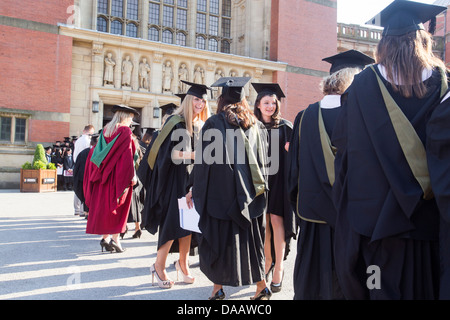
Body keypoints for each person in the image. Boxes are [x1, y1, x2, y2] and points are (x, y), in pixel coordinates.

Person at [331, 1, 448, 299]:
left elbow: (344, 149)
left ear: (383, 43)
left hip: (375, 226)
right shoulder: (443, 85)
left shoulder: (360, 86)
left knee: (377, 288)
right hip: (428, 223)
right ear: (424, 40)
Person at [288, 50, 374, 300]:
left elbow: (294, 174)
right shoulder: (362, 114)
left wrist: (302, 207)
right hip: (354, 219)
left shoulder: (304, 117)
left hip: (313, 217)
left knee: (314, 283)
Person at [191, 76, 271, 300]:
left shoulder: (214, 123)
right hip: (250, 196)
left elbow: (204, 163)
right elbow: (264, 163)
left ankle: (217, 290)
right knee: (251, 243)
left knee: (220, 242)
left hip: (220, 198)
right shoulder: (256, 125)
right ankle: (261, 286)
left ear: (222, 99)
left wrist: (195, 189)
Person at [139, 81, 211, 289]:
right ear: (189, 100)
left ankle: (183, 264)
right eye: (197, 99)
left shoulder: (198, 125)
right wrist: (196, 155)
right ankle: (158, 266)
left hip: (191, 180)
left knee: (189, 224)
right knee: (172, 223)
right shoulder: (176, 122)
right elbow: (169, 154)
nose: (200, 103)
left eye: (203, 100)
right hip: (174, 180)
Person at [251, 82, 296, 293]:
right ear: (258, 105)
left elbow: (296, 155)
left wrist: (291, 150)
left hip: (279, 182)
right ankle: (267, 260)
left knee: (277, 220)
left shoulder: (285, 127)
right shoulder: (251, 126)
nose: (270, 106)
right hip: (258, 181)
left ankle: (279, 267)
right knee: (263, 224)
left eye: (273, 102)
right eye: (266, 102)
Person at [84, 104, 139, 253]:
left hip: (103, 176)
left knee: (105, 208)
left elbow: (98, 154)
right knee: (119, 208)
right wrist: (131, 175)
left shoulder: (106, 131)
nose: (131, 122)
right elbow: (127, 156)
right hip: (117, 176)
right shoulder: (125, 131)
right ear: (125, 117)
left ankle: (105, 238)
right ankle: (115, 239)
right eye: (130, 118)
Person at [73, 134, 99, 220]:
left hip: (83, 177)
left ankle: (86, 212)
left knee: (86, 193)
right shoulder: (98, 152)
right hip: (93, 177)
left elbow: (76, 167)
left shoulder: (83, 152)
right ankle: (90, 212)